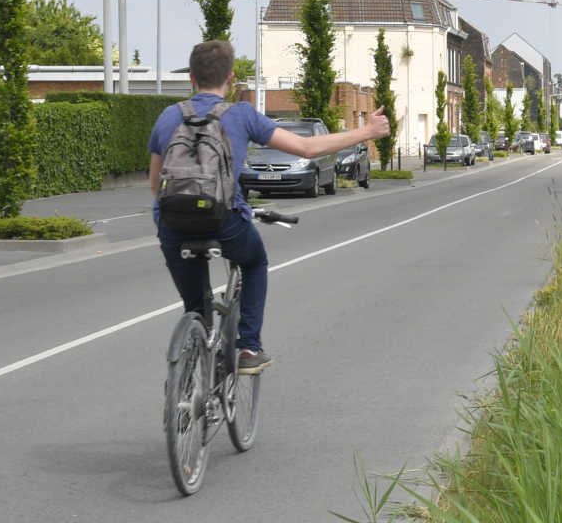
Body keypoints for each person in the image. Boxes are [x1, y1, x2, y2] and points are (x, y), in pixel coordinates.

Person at [148, 41, 390, 373]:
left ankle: (190, 376)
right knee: (255, 262)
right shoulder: (241, 114)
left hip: (173, 224)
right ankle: (248, 348)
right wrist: (365, 131)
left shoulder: (168, 116)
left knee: (194, 305)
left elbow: (153, 184)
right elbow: (306, 148)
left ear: (191, 77)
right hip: (224, 221)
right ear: (231, 79)